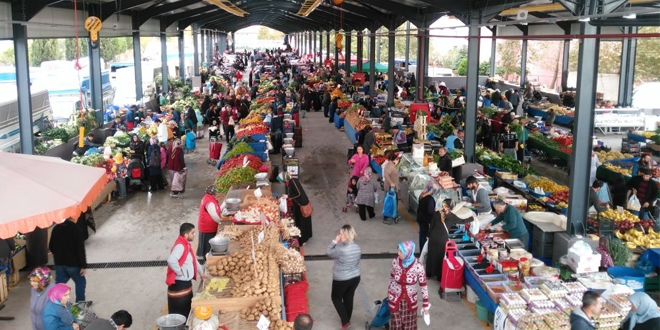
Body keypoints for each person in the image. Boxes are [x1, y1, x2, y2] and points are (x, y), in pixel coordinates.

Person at [426, 200, 475, 281]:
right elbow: (463, 221)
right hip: (442, 238)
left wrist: (428, 235)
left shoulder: (437, 213)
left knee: (431, 255)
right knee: (440, 256)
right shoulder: (452, 217)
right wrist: (473, 218)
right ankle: (439, 276)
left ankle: (428, 273)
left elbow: (432, 225)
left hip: (433, 237)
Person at [387, 241, 429, 330]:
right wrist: (390, 294)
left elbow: (423, 286)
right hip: (395, 301)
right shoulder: (395, 261)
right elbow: (391, 278)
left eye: (401, 252)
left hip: (410, 304)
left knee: (409, 327)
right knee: (396, 327)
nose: (398, 254)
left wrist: (425, 305)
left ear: (408, 252)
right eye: (398, 251)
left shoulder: (418, 266)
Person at [167, 223, 204, 321]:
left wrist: (201, 272)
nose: (194, 235)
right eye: (193, 233)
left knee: (186, 311)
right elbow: (171, 260)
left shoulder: (186, 244)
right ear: (186, 235)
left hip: (185, 284)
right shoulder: (180, 246)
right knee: (180, 314)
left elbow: (193, 260)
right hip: (179, 285)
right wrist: (179, 272)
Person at [326, 225, 361, 330]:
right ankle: (347, 319)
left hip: (341, 279)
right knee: (348, 298)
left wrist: (334, 241)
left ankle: (345, 321)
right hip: (355, 277)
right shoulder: (357, 247)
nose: (339, 236)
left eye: (341, 234)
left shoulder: (341, 250)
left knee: (336, 298)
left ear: (346, 235)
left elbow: (328, 252)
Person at [49, 217, 89, 304]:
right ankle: (80, 305)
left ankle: (55, 304)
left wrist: (59, 255)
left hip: (59, 264)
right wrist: (83, 266)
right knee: (80, 283)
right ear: (74, 218)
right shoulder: (76, 229)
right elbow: (80, 250)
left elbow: (51, 247)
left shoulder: (56, 228)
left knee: (59, 286)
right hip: (73, 264)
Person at [279, 172, 313, 245]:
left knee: (302, 222)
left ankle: (303, 240)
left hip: (302, 204)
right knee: (304, 221)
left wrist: (288, 196)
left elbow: (298, 193)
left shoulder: (293, 181)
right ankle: (307, 236)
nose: (284, 182)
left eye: (283, 181)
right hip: (299, 203)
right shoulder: (292, 181)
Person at [197, 186, 222, 257]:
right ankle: (207, 260)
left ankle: (208, 258)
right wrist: (221, 222)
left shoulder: (210, 198)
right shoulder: (209, 201)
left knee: (208, 246)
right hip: (207, 229)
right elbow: (214, 215)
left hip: (209, 227)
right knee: (207, 247)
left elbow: (217, 210)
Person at [416, 183, 437, 253]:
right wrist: (437, 213)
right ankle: (423, 252)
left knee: (421, 235)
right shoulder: (430, 199)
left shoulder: (422, 195)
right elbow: (430, 211)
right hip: (425, 220)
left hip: (420, 218)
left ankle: (421, 250)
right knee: (425, 235)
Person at [382, 151, 401, 225]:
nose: (398, 161)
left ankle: (388, 214)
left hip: (391, 187)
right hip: (391, 188)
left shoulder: (390, 164)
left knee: (389, 202)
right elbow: (386, 174)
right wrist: (391, 183)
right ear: (395, 159)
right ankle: (392, 214)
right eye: (398, 160)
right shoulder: (390, 166)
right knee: (391, 202)